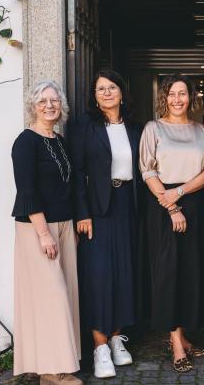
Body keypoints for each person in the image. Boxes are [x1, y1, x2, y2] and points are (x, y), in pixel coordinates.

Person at [139, 74, 204, 373]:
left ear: (191, 97)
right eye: (172, 94)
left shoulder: (202, 130)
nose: (177, 99)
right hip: (162, 205)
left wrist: (181, 193)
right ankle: (176, 344)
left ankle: (182, 337)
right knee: (168, 274)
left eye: (182, 93)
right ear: (164, 97)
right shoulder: (153, 128)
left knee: (190, 273)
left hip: (193, 204)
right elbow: (147, 170)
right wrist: (172, 207)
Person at [69, 69, 140, 379]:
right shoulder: (84, 125)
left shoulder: (136, 128)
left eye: (113, 87)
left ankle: (116, 337)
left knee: (124, 271)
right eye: (101, 89)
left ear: (122, 93)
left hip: (128, 205)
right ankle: (99, 346)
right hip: (96, 209)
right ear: (94, 96)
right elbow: (76, 172)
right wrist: (82, 212)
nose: (107, 92)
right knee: (98, 273)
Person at [11, 81, 82, 385]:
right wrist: (43, 233)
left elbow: (68, 186)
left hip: (64, 225)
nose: (50, 105)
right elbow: (27, 190)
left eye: (54, 100)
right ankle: (51, 372)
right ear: (33, 105)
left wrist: (71, 226)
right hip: (37, 227)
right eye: (43, 101)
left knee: (67, 296)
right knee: (49, 298)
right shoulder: (25, 142)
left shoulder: (60, 141)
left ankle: (61, 362)